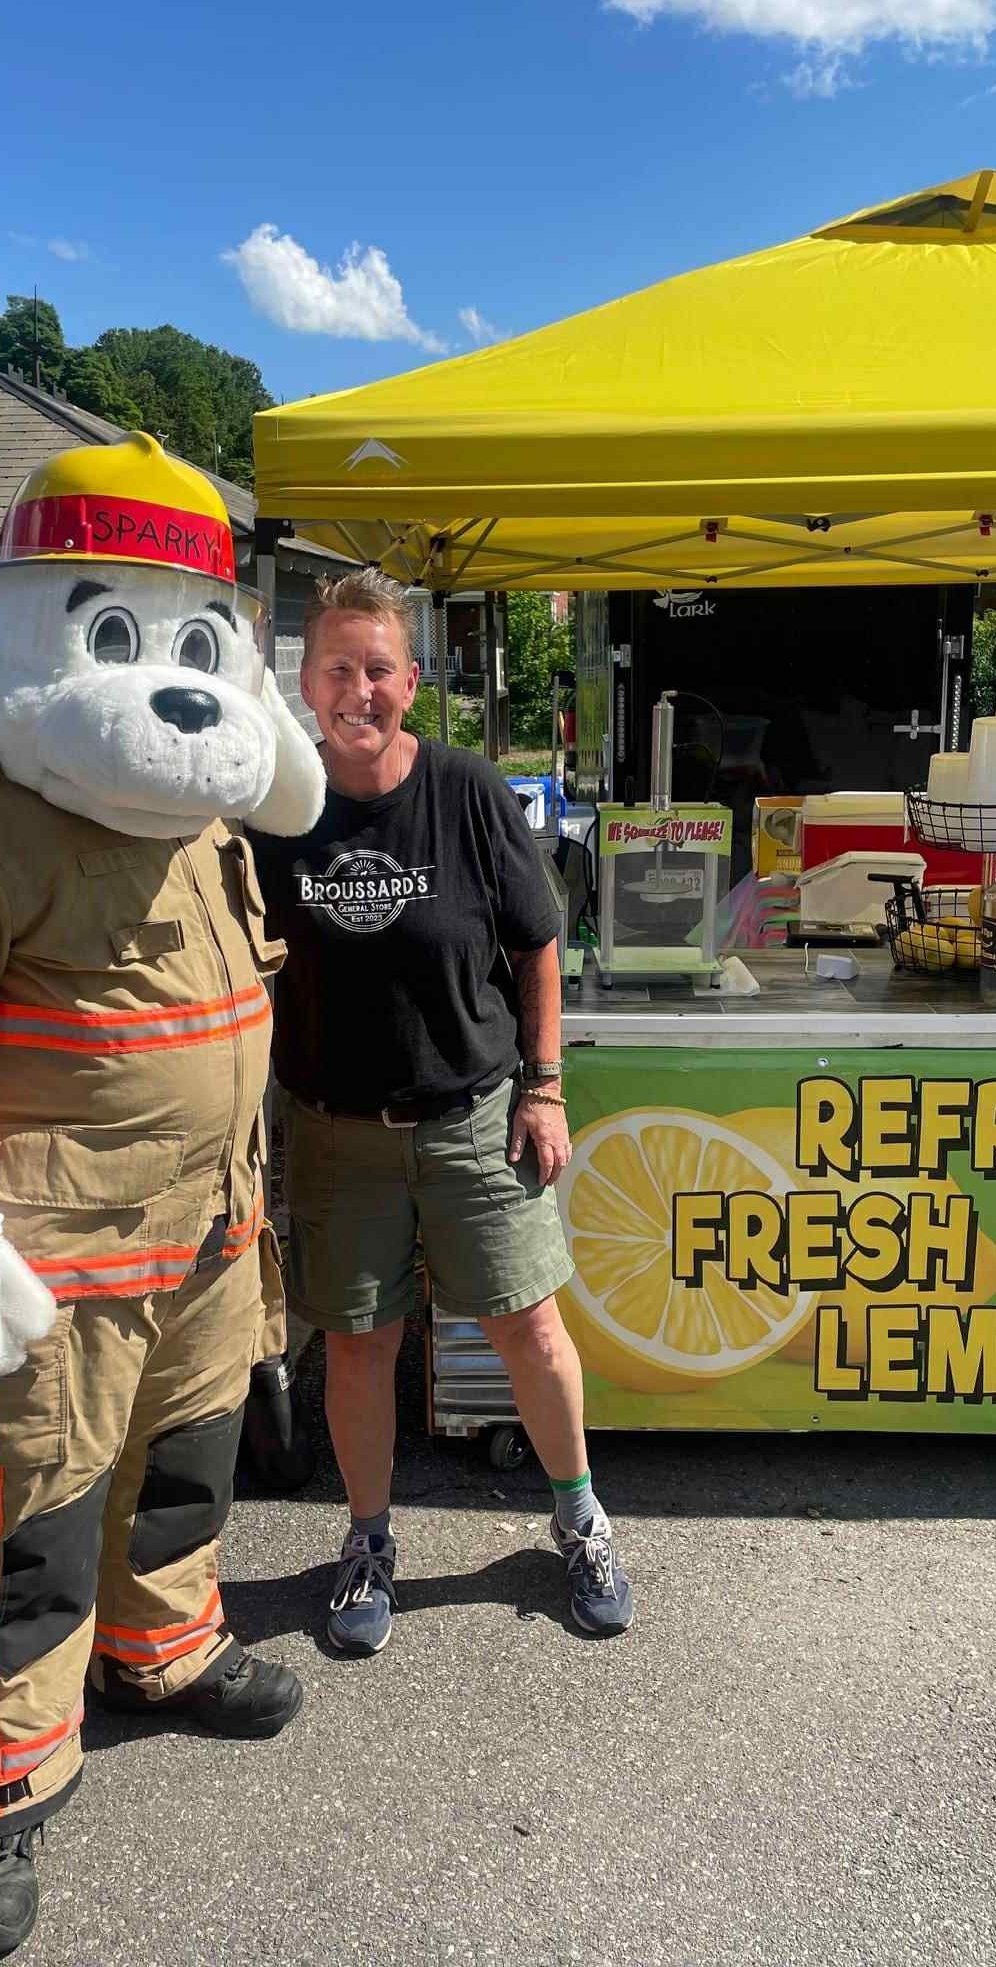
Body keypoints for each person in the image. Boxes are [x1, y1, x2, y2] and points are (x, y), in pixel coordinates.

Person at [0, 435, 325, 1958]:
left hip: (207, 1224)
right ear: (30, 627)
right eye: (116, 634)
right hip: (52, 1252)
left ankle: (165, 1652)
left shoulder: (198, 798)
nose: (170, 686)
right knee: (30, 1521)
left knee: (187, 1471)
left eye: (191, 643)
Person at [249, 569, 634, 1653]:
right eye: (337, 667)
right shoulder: (279, 812)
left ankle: (578, 1514)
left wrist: (547, 1086)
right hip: (334, 1130)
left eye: (378, 667)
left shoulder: (468, 790)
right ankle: (368, 1540)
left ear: (410, 679)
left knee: (527, 1324)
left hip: (476, 1115)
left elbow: (535, 941)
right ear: (306, 677)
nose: (357, 689)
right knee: (361, 1344)